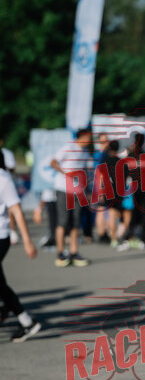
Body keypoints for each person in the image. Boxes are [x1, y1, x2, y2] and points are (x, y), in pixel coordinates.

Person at [0, 150, 41, 342]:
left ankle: (24, 320)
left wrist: (27, 242)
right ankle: (25, 321)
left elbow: (16, 211)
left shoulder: (3, 180)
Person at [50, 128, 92, 267]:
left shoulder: (85, 152)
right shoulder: (69, 147)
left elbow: (84, 171)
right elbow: (53, 162)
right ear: (83, 137)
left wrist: (87, 190)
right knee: (63, 221)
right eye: (89, 137)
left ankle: (74, 252)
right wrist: (66, 173)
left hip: (78, 191)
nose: (90, 140)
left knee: (75, 222)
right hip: (64, 189)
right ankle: (61, 253)